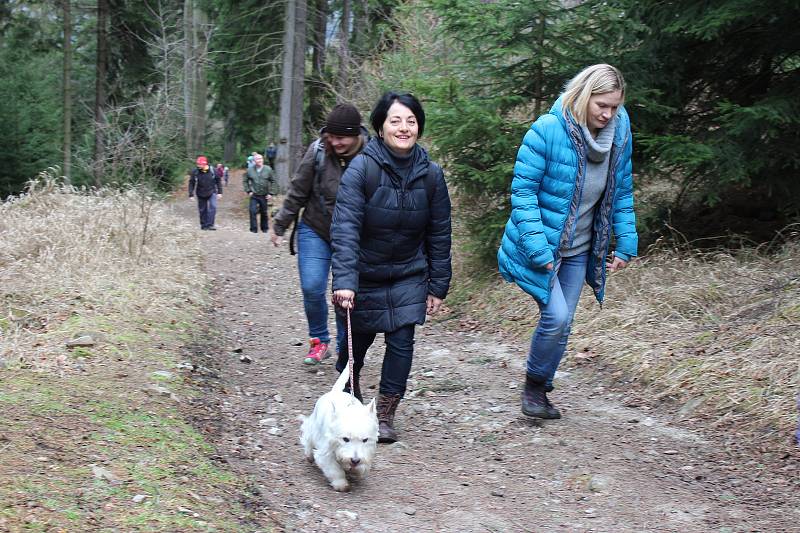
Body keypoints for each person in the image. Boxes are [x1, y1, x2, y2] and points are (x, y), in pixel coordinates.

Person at [497, 64, 638, 419]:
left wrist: (625, 242)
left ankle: (539, 389)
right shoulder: (548, 129)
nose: (607, 114)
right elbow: (523, 193)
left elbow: (621, 190)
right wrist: (537, 248)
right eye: (601, 105)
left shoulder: (621, 132)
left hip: (581, 248)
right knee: (556, 317)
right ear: (584, 95)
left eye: (614, 107)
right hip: (540, 245)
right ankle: (533, 387)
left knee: (564, 322)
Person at [330, 92, 452, 443]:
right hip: (363, 275)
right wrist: (345, 281)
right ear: (380, 128)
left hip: (408, 274)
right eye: (395, 121)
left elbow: (439, 232)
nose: (404, 128)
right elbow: (346, 226)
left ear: (419, 127)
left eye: (411, 121)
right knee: (355, 347)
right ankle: (349, 402)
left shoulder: (431, 175)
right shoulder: (362, 168)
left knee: (402, 341)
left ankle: (384, 413)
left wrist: (437, 285)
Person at [271, 104, 369, 365]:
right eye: (331, 137)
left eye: (341, 137)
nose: (334, 142)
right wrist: (280, 224)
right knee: (312, 286)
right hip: (315, 228)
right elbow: (298, 190)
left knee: (344, 294)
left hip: (354, 237)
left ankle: (343, 348)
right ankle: (319, 341)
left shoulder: (372, 155)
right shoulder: (317, 152)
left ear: (356, 135)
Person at [188, 155, 223, 230]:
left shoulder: (213, 170)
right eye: (197, 164)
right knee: (202, 210)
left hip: (212, 191)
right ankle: (204, 225)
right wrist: (191, 194)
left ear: (205, 164)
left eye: (199, 164)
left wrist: (220, 192)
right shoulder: (195, 172)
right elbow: (191, 183)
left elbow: (218, 181)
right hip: (200, 193)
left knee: (213, 207)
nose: (198, 166)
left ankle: (210, 224)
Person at [244, 153, 274, 234]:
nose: (259, 160)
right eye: (257, 159)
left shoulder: (268, 169)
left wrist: (271, 193)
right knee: (252, 211)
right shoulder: (250, 170)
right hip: (254, 194)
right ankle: (253, 229)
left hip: (264, 195)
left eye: (261, 159)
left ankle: (264, 228)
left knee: (264, 212)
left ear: (263, 160)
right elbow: (245, 181)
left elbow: (273, 181)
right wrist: (248, 191)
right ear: (254, 161)